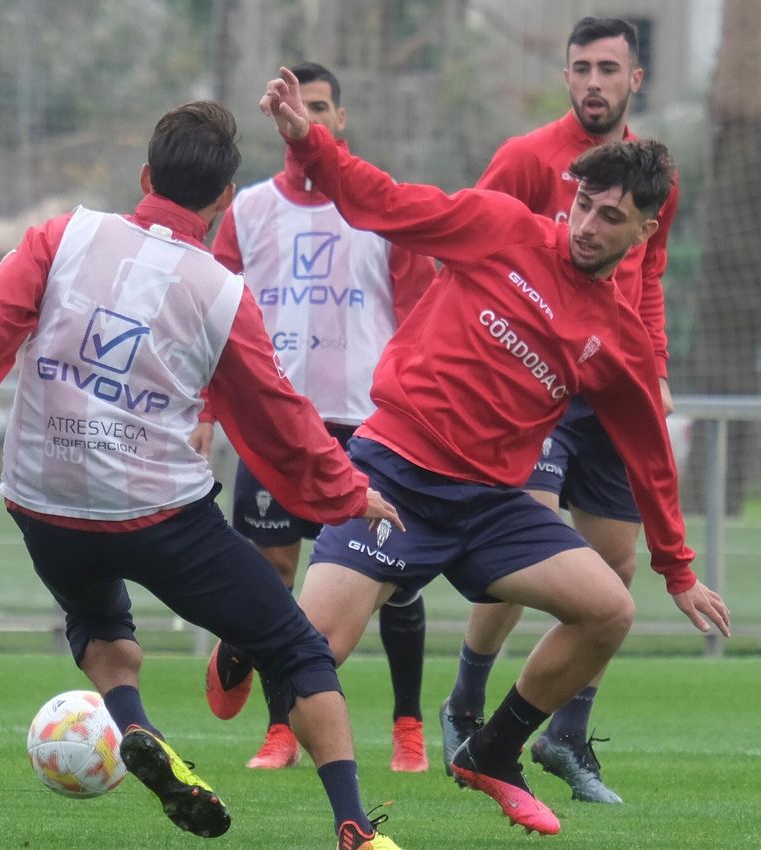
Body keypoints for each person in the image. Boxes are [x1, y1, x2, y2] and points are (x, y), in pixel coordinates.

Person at [0, 101, 407, 850]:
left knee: (100, 620)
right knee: (295, 649)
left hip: (45, 507)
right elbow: (273, 411)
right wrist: (343, 491)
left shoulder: (63, 236)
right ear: (224, 202)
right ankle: (355, 827)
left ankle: (136, 727)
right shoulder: (219, 291)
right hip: (158, 517)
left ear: (145, 176)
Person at [258, 68, 730, 836]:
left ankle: (492, 751)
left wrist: (677, 567)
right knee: (307, 660)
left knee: (610, 610)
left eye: (611, 217)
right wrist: (311, 143)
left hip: (488, 507)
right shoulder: (500, 227)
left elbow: (648, 455)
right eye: (583, 204)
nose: (586, 225)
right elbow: (381, 200)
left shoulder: (619, 339)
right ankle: (256, 648)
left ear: (646, 231)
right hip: (393, 477)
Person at [438, 17, 678, 806]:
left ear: (634, 79)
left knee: (615, 569)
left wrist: (656, 371)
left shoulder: (650, 177)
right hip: (536, 390)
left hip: (608, 389)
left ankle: (566, 737)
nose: (594, 81)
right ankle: (467, 706)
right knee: (529, 554)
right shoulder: (523, 157)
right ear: (567, 74)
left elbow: (646, 280)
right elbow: (465, 242)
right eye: (582, 67)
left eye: (610, 67)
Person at [196, 62, 435, 774]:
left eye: (325, 106)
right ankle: (280, 730)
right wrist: (207, 409)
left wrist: (423, 410)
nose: (315, 117)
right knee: (271, 572)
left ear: (340, 118)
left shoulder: (379, 205)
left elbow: (422, 315)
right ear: (281, 119)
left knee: (392, 575)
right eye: (302, 107)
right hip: (276, 423)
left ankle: (408, 726)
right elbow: (212, 312)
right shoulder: (248, 212)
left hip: (373, 426)